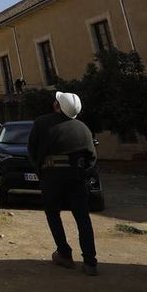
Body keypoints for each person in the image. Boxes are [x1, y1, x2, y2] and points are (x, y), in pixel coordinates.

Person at [27, 92, 99, 276]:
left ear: (57, 105)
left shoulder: (42, 123)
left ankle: (64, 253)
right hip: (76, 176)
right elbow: (91, 158)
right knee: (82, 217)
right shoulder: (83, 128)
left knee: (53, 213)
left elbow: (32, 149)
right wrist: (82, 173)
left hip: (52, 176)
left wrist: (41, 169)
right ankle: (90, 261)